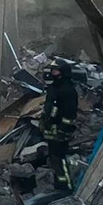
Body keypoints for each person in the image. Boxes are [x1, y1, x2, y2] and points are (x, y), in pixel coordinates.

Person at [41, 61, 78, 191]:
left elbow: (70, 114)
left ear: (63, 73)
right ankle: (59, 185)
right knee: (54, 159)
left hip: (60, 132)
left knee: (60, 158)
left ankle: (66, 187)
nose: (52, 73)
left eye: (55, 71)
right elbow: (50, 108)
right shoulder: (54, 88)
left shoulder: (68, 90)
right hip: (52, 130)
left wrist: (63, 130)